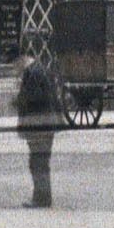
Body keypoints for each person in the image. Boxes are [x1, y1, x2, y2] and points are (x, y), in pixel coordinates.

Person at [16, 49, 67, 206]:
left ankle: (42, 199)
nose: (15, 69)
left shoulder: (33, 73)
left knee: (38, 161)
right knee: (40, 161)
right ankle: (42, 198)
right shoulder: (41, 69)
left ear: (22, 58)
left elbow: (35, 100)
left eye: (15, 64)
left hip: (39, 124)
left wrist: (18, 101)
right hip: (46, 123)